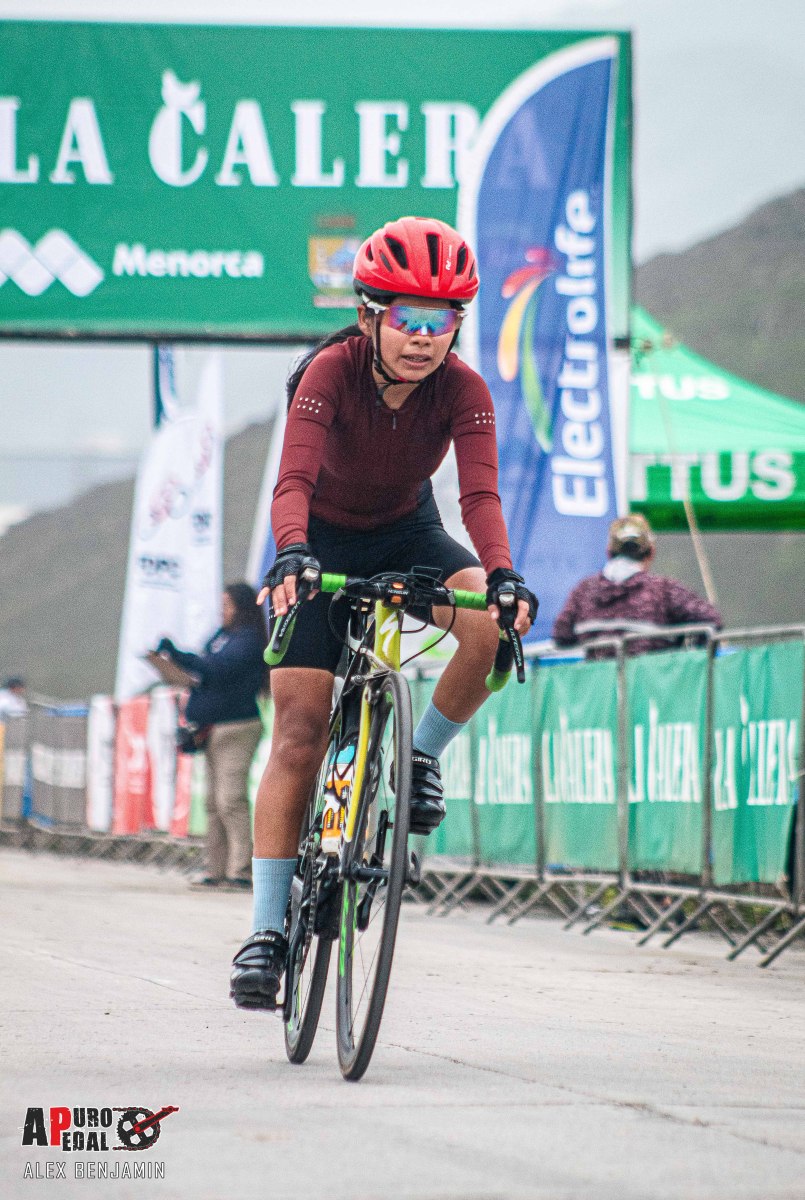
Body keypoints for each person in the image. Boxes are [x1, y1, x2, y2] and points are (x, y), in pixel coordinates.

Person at [230, 216, 538, 1010]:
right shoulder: (328, 372)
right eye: (408, 317)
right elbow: (292, 483)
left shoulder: (463, 389)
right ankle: (264, 933)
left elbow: (479, 496)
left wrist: (502, 575)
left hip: (407, 534)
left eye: (443, 319)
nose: (424, 337)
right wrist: (292, 553)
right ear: (369, 314)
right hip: (319, 541)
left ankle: (418, 758)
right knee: (299, 732)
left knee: (489, 627)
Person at [154, 583, 267, 890]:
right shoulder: (222, 637)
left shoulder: (248, 640)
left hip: (237, 727)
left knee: (231, 799)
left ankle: (241, 870)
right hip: (212, 728)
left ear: (241, 607)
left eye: (227, 605)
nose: (222, 611)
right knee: (213, 803)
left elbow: (216, 669)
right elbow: (206, 668)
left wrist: (178, 655)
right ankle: (216, 869)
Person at [552, 514, 722, 657]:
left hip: (597, 686)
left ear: (608, 552)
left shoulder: (583, 591)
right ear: (651, 552)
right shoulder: (664, 591)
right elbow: (711, 620)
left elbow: (561, 636)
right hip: (651, 686)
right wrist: (685, 659)